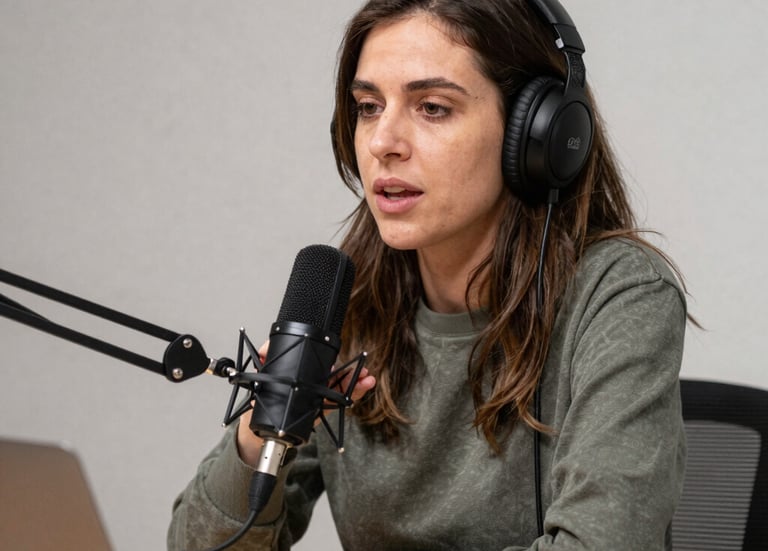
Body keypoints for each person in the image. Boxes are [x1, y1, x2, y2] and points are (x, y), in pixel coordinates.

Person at [168, 0, 690, 549]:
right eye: (369, 106)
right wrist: (265, 424)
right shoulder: (345, 298)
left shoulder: (620, 296)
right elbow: (197, 544)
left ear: (537, 133)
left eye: (433, 107)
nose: (381, 143)